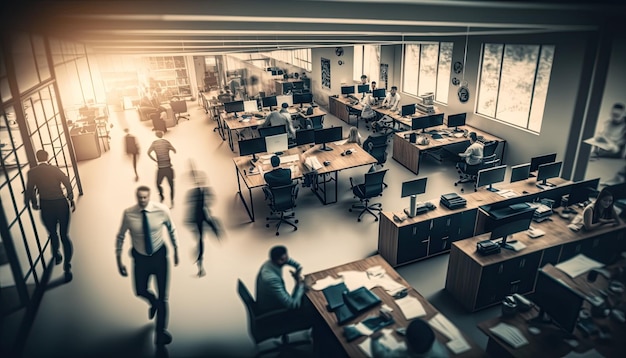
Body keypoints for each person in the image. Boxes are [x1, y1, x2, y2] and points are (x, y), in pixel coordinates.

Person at [116, 186, 179, 346]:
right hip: (140, 260)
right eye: (140, 197)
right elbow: (121, 236)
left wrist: (176, 249)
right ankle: (153, 302)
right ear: (136, 197)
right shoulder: (129, 214)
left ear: (149, 197)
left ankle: (160, 334)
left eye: (145, 197)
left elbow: (172, 229)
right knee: (140, 291)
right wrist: (119, 260)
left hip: (159, 257)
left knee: (163, 298)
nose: (142, 200)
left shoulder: (161, 210)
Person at [24, 149, 75, 282]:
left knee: (52, 233)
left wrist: (33, 203)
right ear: (47, 157)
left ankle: (56, 253)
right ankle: (67, 266)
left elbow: (30, 190)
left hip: (46, 206)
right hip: (60, 204)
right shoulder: (55, 169)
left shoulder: (32, 172)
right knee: (65, 235)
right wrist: (70, 197)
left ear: (37, 158)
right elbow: (67, 182)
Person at [185, 169, 222, 277]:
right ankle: (200, 264)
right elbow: (190, 206)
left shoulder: (205, 190)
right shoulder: (193, 193)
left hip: (203, 215)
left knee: (211, 226)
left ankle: (217, 234)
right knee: (200, 240)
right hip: (198, 218)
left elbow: (212, 199)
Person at [255, 245, 309, 314]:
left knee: (303, 294)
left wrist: (297, 268)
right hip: (272, 310)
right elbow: (292, 305)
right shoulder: (271, 279)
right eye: (283, 259)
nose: (286, 261)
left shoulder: (269, 263)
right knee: (308, 304)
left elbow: (287, 260)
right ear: (276, 260)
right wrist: (300, 284)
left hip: (270, 301)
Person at [371, 318, 448, 358]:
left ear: (407, 342)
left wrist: (374, 340)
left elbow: (380, 355)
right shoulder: (440, 351)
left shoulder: (400, 354)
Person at [147, 130, 177, 207]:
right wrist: (170, 151)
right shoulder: (166, 142)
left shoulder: (154, 143)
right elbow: (174, 150)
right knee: (171, 185)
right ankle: (172, 201)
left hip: (160, 168)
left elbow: (148, 153)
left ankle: (161, 196)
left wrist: (155, 160)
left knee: (157, 183)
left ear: (156, 135)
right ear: (163, 134)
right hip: (168, 167)